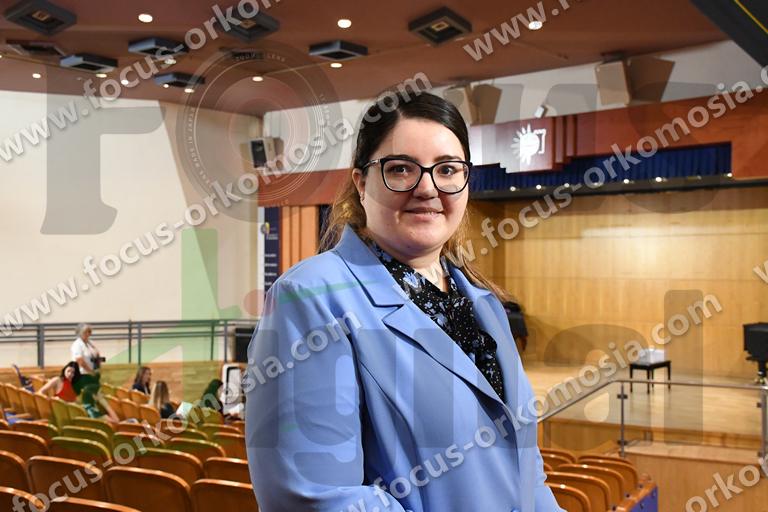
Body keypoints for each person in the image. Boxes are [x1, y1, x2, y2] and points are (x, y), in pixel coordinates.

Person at [245, 91, 563, 512]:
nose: (427, 188)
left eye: (447, 170)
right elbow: (315, 497)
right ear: (361, 183)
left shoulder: (486, 306)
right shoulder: (310, 299)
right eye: (400, 169)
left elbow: (525, 469)